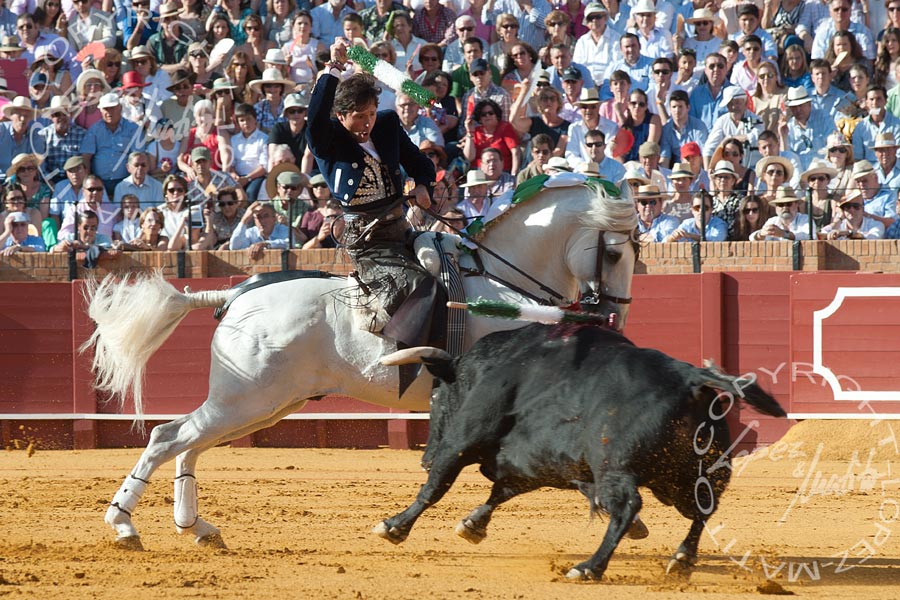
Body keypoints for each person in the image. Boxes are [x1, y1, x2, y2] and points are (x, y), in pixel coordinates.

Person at [306, 40, 441, 345]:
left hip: (401, 228)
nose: (367, 122)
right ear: (340, 115)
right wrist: (333, 68)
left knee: (451, 263)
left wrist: (423, 184)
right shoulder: (327, 140)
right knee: (417, 284)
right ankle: (402, 350)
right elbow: (314, 118)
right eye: (358, 115)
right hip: (366, 240)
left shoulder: (388, 125)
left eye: (371, 113)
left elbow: (420, 163)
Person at [82, 92, 145, 197]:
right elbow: (86, 158)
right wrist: (89, 182)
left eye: (112, 108)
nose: (109, 112)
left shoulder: (133, 129)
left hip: (126, 181)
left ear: (120, 108)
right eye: (105, 109)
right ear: (100, 111)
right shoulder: (94, 130)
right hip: (99, 183)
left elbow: (138, 157)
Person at [780, 87, 833, 171]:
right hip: (800, 175)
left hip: (824, 170)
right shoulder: (789, 127)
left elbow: (833, 143)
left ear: (809, 104)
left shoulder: (823, 117)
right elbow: (786, 159)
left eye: (801, 106)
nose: (798, 110)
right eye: (794, 107)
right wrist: (783, 136)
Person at [659, 90, 708, 168]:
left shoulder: (699, 126)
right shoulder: (666, 129)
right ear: (670, 109)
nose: (677, 110)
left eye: (680, 106)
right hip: (676, 169)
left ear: (688, 107)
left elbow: (702, 155)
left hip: (694, 166)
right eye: (674, 107)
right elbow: (665, 157)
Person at [750, 185, 814, 240]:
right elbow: (752, 238)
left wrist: (784, 234)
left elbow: (810, 237)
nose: (785, 207)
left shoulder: (805, 219)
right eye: (781, 204)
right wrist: (760, 234)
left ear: (796, 204)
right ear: (776, 207)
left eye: (789, 204)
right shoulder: (773, 221)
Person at [851, 159, 898, 229]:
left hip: (881, 238)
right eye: (858, 182)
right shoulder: (854, 198)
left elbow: (892, 223)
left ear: (875, 178)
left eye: (864, 180)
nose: (861, 185)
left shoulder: (889, 195)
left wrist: (866, 215)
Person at [821, 191, 885, 239]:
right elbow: (823, 233)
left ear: (863, 209)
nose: (852, 210)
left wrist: (848, 233)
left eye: (856, 206)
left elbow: (873, 237)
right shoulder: (839, 225)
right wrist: (839, 219)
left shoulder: (875, 225)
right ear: (843, 210)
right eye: (847, 207)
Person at [799, 158, 840, 229]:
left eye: (821, 178)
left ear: (828, 181)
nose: (817, 181)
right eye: (813, 179)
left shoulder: (834, 201)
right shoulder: (802, 202)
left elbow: (834, 223)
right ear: (809, 182)